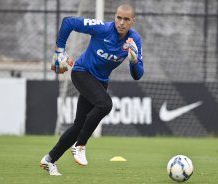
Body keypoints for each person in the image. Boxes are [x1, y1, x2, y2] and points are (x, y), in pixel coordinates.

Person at [40, 4, 144, 176]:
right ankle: (80, 145)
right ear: (115, 17)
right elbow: (68, 22)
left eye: (126, 19)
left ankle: (49, 159)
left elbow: (137, 75)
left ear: (133, 21)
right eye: (119, 17)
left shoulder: (134, 40)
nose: (121, 22)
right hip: (82, 72)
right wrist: (60, 50)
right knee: (105, 105)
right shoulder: (102, 28)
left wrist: (134, 61)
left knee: (78, 125)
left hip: (100, 82)